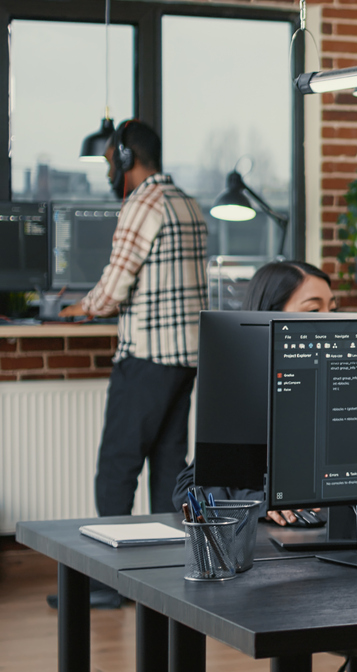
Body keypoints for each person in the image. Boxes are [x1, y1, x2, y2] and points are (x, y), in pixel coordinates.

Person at [53, 119, 207, 609]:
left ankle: (107, 583)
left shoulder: (142, 203)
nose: (107, 170)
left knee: (116, 469)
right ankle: (168, 576)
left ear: (124, 158)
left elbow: (114, 288)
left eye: (107, 162)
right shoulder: (189, 202)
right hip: (184, 359)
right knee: (168, 469)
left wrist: (78, 306)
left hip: (146, 357)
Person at [171, 260, 336, 526]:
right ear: (270, 316)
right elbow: (190, 489)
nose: (331, 319)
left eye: (333, 309)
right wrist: (263, 502)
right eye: (315, 309)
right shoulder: (249, 394)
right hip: (281, 544)